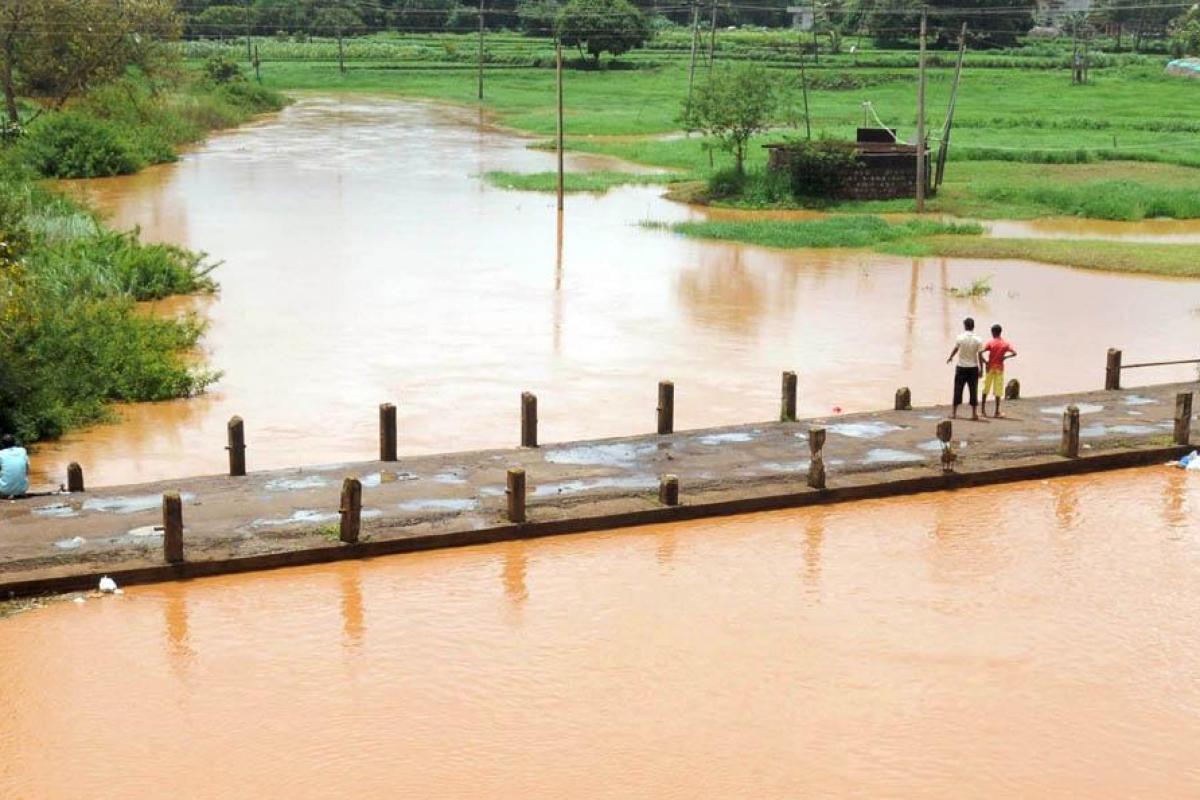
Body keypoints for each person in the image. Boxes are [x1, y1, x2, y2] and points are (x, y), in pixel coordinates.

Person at [945, 317, 983, 420]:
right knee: (973, 390)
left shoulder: (960, 338)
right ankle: (974, 414)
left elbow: (956, 349)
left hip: (961, 367)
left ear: (965, 326)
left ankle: (953, 413)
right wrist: (981, 369)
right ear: (973, 326)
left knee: (958, 389)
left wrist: (950, 357)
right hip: (973, 368)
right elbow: (980, 355)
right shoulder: (978, 339)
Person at [980, 324, 1017, 418]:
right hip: (999, 368)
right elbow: (1014, 353)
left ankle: (983, 411)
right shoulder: (1005, 344)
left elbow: (980, 352)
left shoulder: (990, 343)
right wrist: (1005, 357)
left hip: (990, 368)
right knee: (998, 390)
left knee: (986, 388)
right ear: (1000, 332)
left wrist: (985, 362)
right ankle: (996, 412)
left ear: (993, 332)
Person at [0, 434, 30, 499]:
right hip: (23, 489)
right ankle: (19, 491)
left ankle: (7, 492)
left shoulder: (1, 453)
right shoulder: (22, 450)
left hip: (5, 490)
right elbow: (27, 469)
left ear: (3, 444)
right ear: (14, 442)